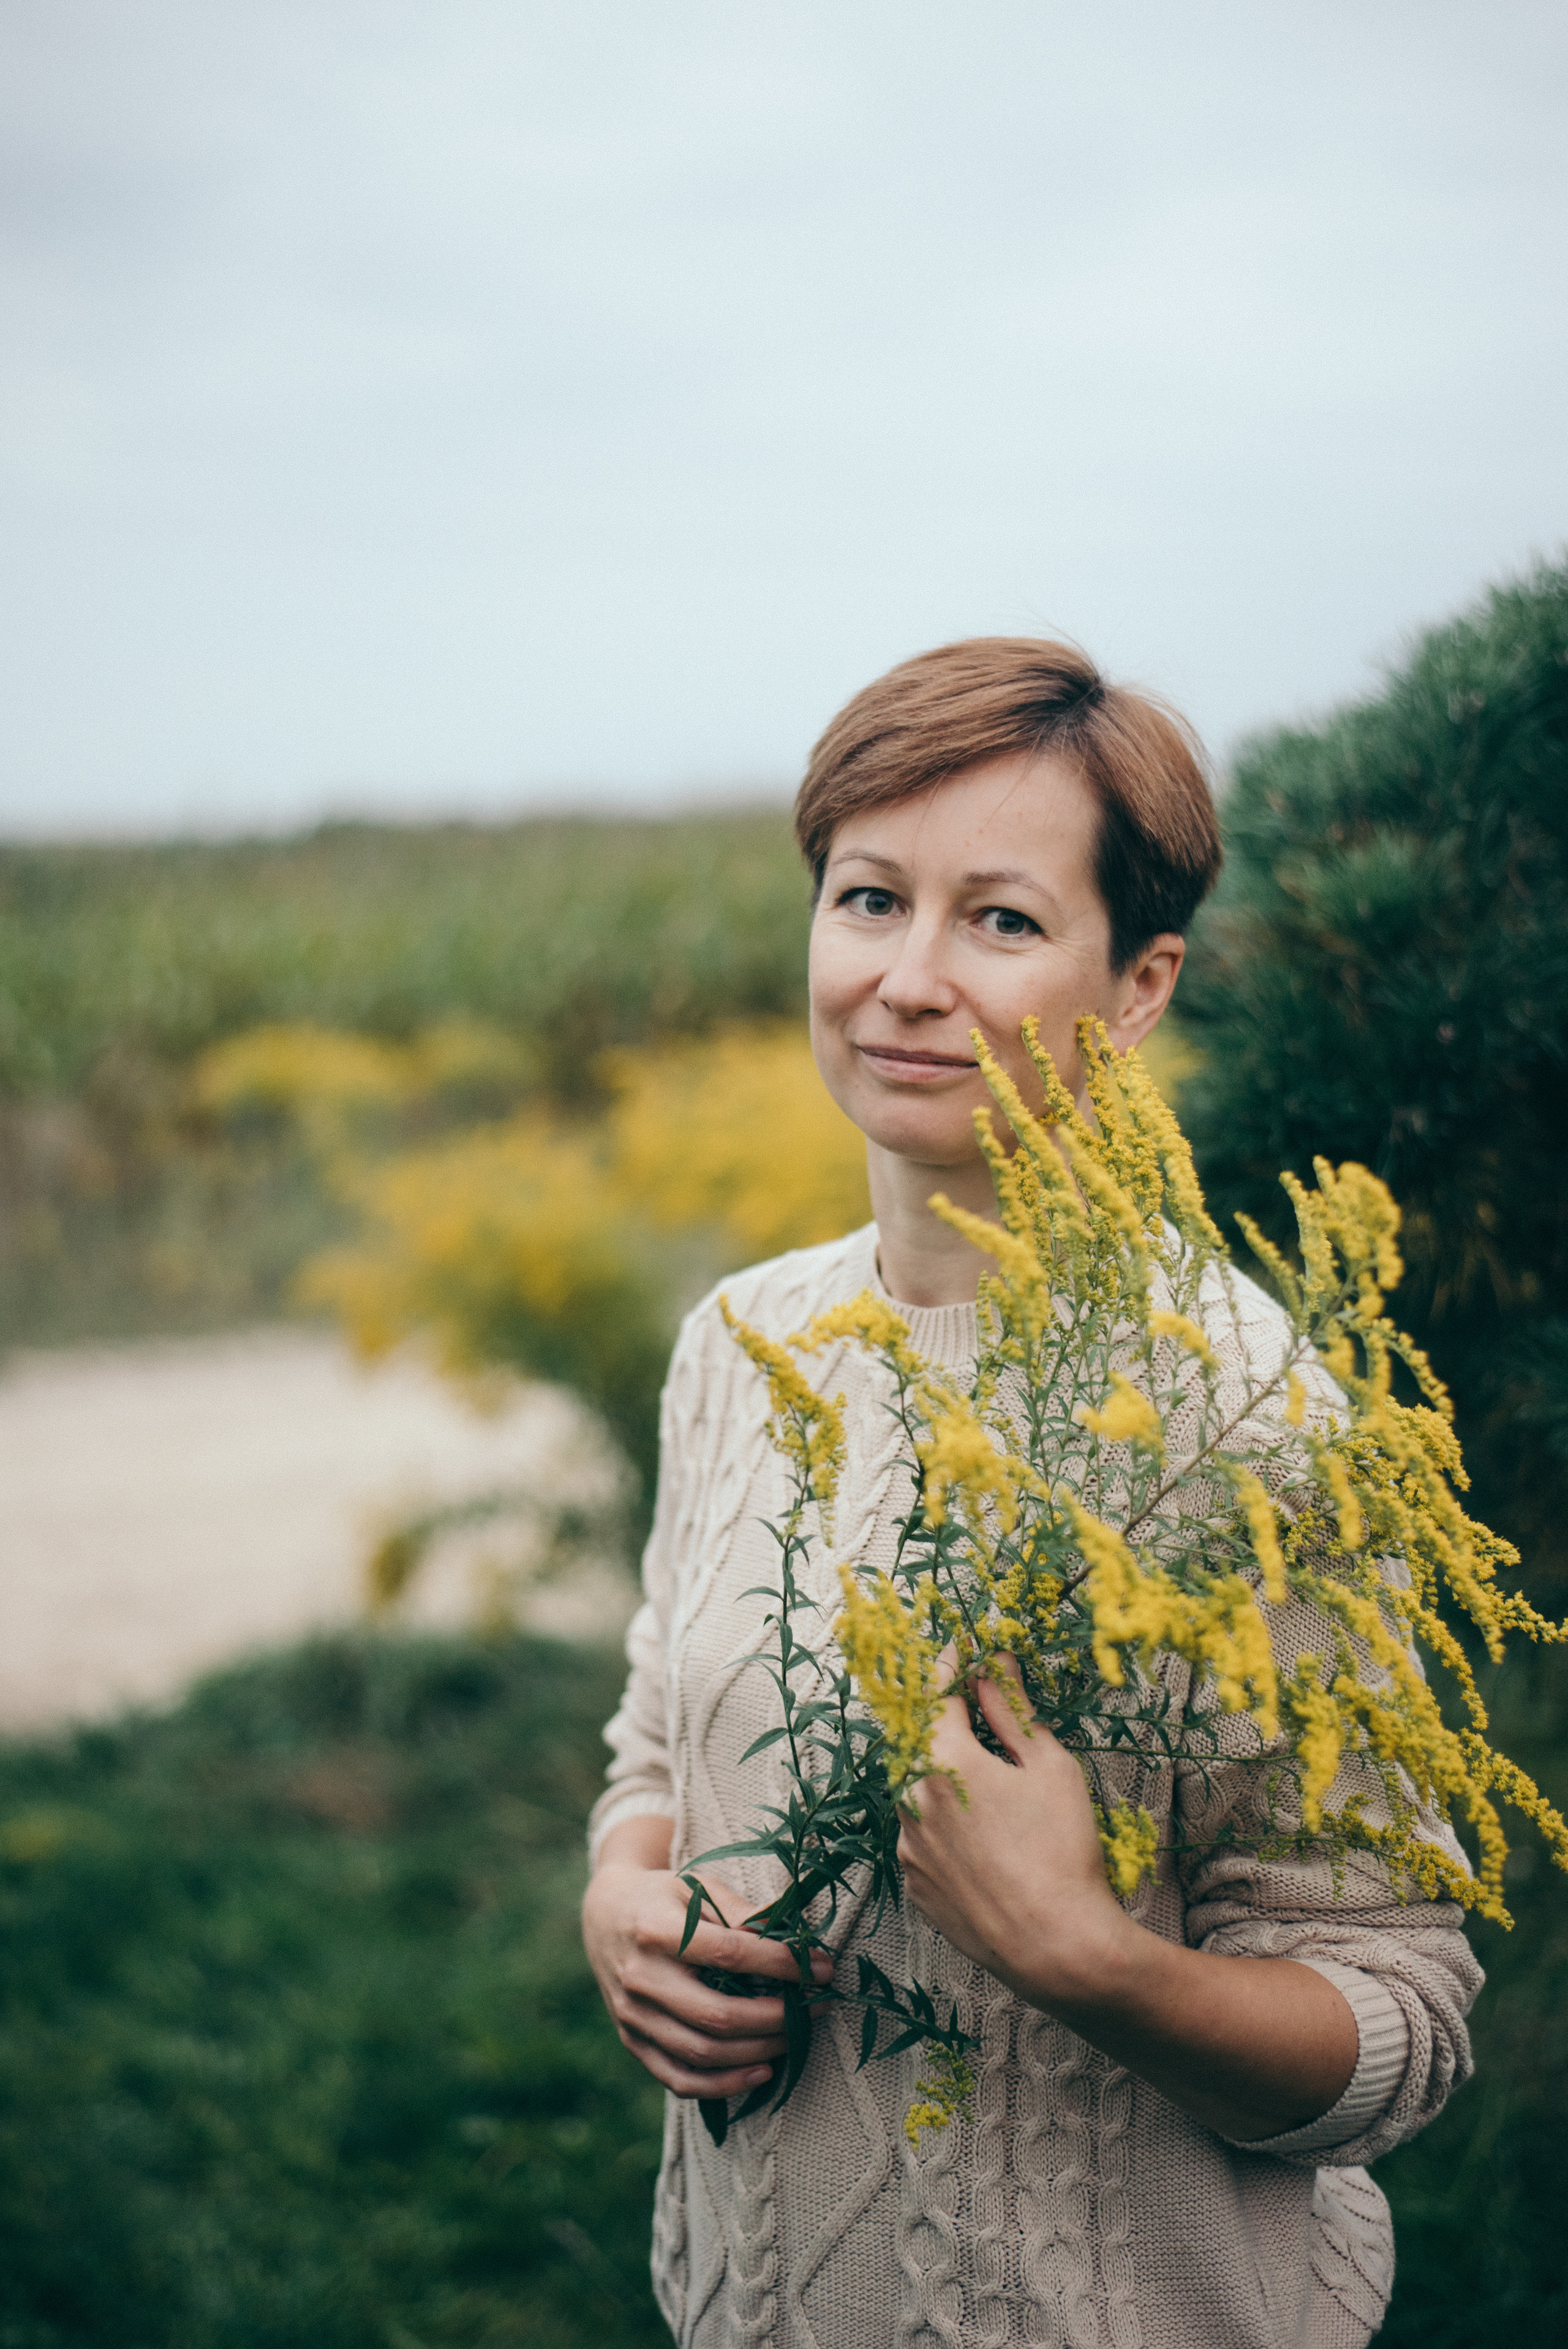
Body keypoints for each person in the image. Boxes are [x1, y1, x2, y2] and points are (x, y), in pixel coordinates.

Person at [581, 639, 1480, 2348]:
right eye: (867, 899)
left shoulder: (1246, 1424)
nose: (910, 979)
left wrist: (1093, 1955)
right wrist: (626, 1895)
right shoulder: (740, 1346)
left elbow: (1404, 2023)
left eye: (999, 920)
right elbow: (654, 1738)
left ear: (1137, 987)